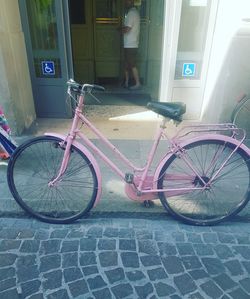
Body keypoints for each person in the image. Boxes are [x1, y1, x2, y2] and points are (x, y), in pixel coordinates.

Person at [122, 0, 141, 90]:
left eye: (126, 1)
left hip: (130, 44)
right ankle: (126, 82)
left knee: (132, 64)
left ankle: (137, 83)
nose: (125, 2)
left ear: (131, 2)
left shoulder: (131, 13)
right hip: (131, 43)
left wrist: (119, 29)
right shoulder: (134, 12)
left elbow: (127, 29)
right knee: (127, 64)